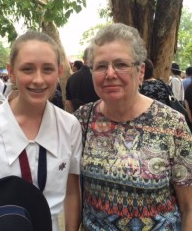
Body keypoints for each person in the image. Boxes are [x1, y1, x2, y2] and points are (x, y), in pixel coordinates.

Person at [0, 31, 82, 231]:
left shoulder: (70, 125)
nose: (38, 80)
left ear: (60, 71)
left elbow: (71, 191)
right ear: (11, 72)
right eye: (27, 69)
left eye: (47, 69)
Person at [74, 23, 192, 230]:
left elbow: (188, 207)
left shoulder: (173, 124)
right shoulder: (83, 119)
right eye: (101, 66)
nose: (110, 73)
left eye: (121, 64)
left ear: (141, 71)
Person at [65, 47, 99, 113]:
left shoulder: (72, 78)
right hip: (98, 119)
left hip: (78, 118)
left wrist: (76, 116)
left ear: (83, 59)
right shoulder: (99, 76)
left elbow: (68, 102)